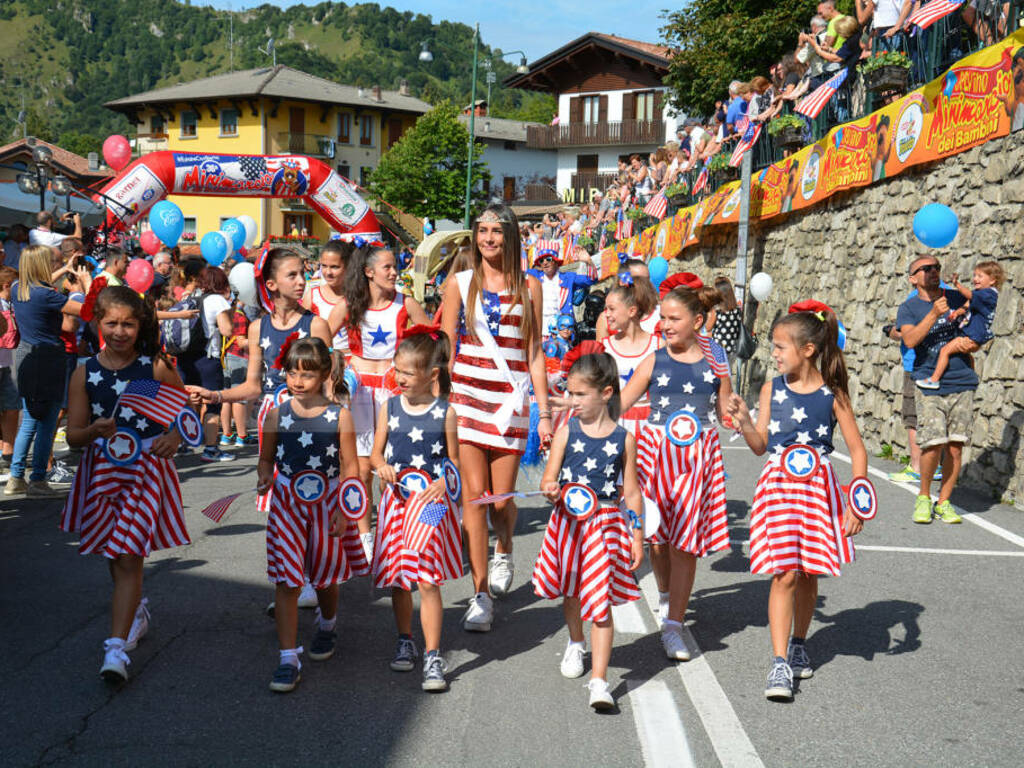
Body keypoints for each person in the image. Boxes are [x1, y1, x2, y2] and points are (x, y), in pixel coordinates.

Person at [727, 303, 867, 702]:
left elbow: (858, 452)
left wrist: (856, 502)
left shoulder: (832, 393)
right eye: (773, 347)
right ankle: (778, 662)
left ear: (807, 349)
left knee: (808, 573)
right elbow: (760, 447)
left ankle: (799, 642)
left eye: (779, 347)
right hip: (778, 486)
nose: (773, 354)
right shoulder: (773, 387)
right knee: (784, 573)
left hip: (818, 490)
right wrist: (745, 421)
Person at [189, 247, 333, 607]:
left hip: (310, 421)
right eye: (293, 275)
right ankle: (292, 580)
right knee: (281, 507)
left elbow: (329, 385)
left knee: (311, 500)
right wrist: (215, 394)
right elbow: (253, 385)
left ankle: (312, 581)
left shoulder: (315, 325)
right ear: (271, 284)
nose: (302, 282)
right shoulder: (258, 327)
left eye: (303, 274)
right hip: (274, 422)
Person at [61, 286, 189, 682]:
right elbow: (73, 436)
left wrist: (174, 437)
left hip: (145, 470)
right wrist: (93, 430)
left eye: (128, 324)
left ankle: (115, 650)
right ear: (97, 322)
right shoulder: (86, 371)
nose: (120, 331)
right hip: (102, 470)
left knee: (130, 555)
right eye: (112, 323)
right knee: (114, 555)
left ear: (140, 326)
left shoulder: (151, 367)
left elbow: (181, 411)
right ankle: (135, 611)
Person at [439, 204, 552, 631]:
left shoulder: (530, 286)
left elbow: (535, 352)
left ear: (511, 237)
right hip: (467, 402)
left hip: (511, 404)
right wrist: (442, 400)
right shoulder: (459, 284)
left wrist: (543, 414)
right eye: (482, 231)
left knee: (501, 501)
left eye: (496, 232)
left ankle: (505, 547)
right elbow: (447, 346)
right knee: (474, 497)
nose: (488, 239)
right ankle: (480, 594)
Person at [620, 286, 733, 659]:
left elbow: (726, 408)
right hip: (655, 454)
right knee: (657, 539)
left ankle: (673, 625)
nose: (665, 325)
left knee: (685, 546)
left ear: (697, 322)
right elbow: (622, 401)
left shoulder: (716, 358)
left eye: (674, 319)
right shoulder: (654, 359)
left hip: (695, 456)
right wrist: (579, 412)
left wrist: (745, 417)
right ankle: (667, 595)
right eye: (663, 318)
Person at [255, 336, 367, 693]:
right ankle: (288, 657)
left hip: (328, 504)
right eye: (291, 372)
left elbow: (351, 467)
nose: (297, 381)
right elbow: (266, 458)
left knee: (325, 577)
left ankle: (328, 623)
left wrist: (346, 512)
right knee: (287, 581)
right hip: (286, 506)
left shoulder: (340, 415)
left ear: (324, 374)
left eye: (306, 374)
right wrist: (262, 476)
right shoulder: (277, 413)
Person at [532, 353, 643, 710]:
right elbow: (550, 478)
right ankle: (576, 643)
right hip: (569, 524)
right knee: (572, 592)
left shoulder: (624, 439)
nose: (572, 401)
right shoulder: (566, 432)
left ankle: (599, 681)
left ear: (606, 393)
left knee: (600, 602)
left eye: (580, 395)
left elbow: (632, 491)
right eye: (571, 393)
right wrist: (551, 489)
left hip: (605, 526)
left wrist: (637, 534)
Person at [370, 328, 461, 692]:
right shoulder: (388, 406)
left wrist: (444, 482)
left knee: (428, 579)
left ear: (432, 375)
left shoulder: (446, 412)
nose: (399, 377)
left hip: (430, 506)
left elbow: (454, 463)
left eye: (407, 372)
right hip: (396, 503)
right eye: (397, 370)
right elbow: (377, 452)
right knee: (399, 577)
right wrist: (380, 466)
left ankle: (434, 654)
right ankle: (405, 638)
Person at [327, 243, 429, 515]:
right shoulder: (348, 304)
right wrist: (334, 366)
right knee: (361, 470)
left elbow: (432, 338)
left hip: (394, 391)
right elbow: (320, 338)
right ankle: (364, 537)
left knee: (394, 465)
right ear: (369, 272)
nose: (395, 273)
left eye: (395, 267)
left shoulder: (405, 302)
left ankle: (393, 525)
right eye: (388, 268)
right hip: (358, 391)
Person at [897, 255, 978, 524]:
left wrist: (974, 344)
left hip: (961, 379)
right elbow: (909, 340)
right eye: (926, 269)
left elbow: (980, 319)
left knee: (955, 446)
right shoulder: (908, 308)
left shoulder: (956, 297)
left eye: (937, 268)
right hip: (927, 381)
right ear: (913, 278)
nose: (934, 272)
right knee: (932, 444)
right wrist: (933, 314)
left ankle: (944, 502)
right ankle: (923, 497)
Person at [6, 246, 89, 497]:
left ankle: (16, 478)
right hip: (48, 358)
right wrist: (86, 284)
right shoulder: (46, 296)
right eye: (52, 262)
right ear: (41, 264)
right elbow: (87, 311)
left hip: (24, 357)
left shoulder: (17, 289)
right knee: (47, 422)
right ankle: (39, 479)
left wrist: (66, 268)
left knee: (30, 420)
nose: (55, 264)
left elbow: (39, 285)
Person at [916, 260, 1003, 390]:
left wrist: (957, 284)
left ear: (992, 280)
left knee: (945, 351)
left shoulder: (988, 294)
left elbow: (969, 295)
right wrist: (957, 313)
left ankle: (933, 380)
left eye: (980, 276)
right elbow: (968, 303)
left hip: (971, 337)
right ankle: (972, 377)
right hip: (974, 338)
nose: (975, 279)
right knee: (966, 356)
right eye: (974, 275)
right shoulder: (983, 294)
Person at [598, 275, 662, 436]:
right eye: (606, 309)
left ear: (631, 311)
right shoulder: (604, 347)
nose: (606, 314)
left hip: (651, 424)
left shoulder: (659, 345)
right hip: (616, 421)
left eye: (611, 309)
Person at [526, 245, 594, 337]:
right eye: (542, 261)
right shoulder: (535, 275)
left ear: (555, 261)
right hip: (539, 330)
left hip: (563, 330)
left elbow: (590, 280)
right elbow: (514, 274)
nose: (545, 263)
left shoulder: (569, 277)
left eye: (548, 259)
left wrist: (588, 261)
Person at [302, 239, 352, 354]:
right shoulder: (313, 295)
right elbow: (303, 333)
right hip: (322, 362)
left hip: (352, 364)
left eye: (334, 267)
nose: (328, 272)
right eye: (324, 266)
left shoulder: (358, 296)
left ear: (348, 266)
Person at [218, 294, 255, 447]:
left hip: (226, 356)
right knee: (239, 398)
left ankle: (226, 435)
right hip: (239, 357)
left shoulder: (227, 313)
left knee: (226, 397)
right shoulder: (240, 315)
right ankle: (242, 435)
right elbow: (241, 342)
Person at [595, 260, 660, 341]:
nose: (646, 285)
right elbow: (599, 352)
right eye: (639, 280)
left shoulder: (660, 313)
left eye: (647, 279)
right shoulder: (607, 319)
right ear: (622, 282)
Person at [0, 267, 20, 471]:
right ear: (7, 286)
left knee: (12, 407)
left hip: (6, 362)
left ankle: (8, 450)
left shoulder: (10, 304)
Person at [709, 275, 743, 358]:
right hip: (731, 349)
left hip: (717, 350)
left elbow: (708, 328)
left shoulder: (717, 310)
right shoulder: (737, 310)